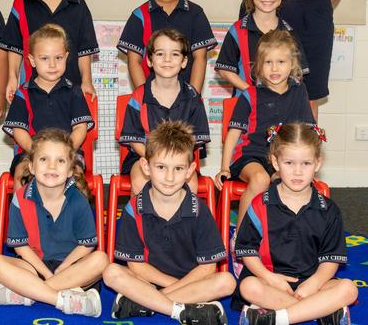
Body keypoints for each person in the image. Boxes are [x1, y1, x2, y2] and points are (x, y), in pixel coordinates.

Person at [103, 121, 235, 321]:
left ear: (190, 170)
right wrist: (171, 284)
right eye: (161, 167)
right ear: (146, 166)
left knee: (227, 282)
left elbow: (208, 268)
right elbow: (135, 266)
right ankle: (180, 310)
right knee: (111, 272)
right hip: (148, 281)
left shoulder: (200, 210)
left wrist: (165, 292)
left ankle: (146, 304)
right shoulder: (133, 208)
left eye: (178, 168)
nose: (170, 177)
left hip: (191, 282)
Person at [234, 123, 358, 325]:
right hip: (271, 282)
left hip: (313, 283)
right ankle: (319, 310)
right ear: (275, 162)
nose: (298, 172)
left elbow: (330, 260)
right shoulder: (259, 205)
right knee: (248, 286)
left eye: (306, 164)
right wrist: (271, 278)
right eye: (290, 163)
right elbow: (247, 251)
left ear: (317, 164)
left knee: (348, 289)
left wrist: (313, 284)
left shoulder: (329, 210)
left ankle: (277, 318)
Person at [0, 128, 109, 318]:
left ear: (70, 170)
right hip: (33, 266)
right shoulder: (20, 198)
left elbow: (87, 245)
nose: (52, 166)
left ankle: (28, 292)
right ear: (32, 167)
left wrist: (60, 270)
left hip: (70, 269)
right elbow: (21, 248)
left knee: (101, 260)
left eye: (60, 161)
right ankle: (61, 299)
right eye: (44, 159)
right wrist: (46, 273)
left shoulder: (78, 200)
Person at [215, 29, 315, 233]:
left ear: (292, 65)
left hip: (283, 158)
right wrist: (225, 168)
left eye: (281, 62)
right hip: (250, 156)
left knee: (289, 183)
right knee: (260, 179)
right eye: (268, 62)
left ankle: (282, 235)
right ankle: (243, 236)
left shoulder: (299, 92)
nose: (274, 68)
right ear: (259, 66)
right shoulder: (250, 95)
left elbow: (307, 132)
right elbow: (233, 134)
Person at [119, 29, 210, 195]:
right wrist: (156, 159)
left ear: (184, 61)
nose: (167, 59)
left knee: (191, 186)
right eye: (160, 54)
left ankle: (181, 221)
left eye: (175, 54)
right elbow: (134, 140)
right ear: (149, 60)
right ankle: (140, 221)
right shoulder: (138, 97)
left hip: (180, 160)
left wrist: (172, 161)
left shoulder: (193, 98)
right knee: (140, 182)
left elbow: (193, 142)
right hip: (145, 157)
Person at [3, 24, 94, 188]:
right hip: (30, 154)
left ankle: (72, 213)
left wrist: (65, 150)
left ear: (66, 57)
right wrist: (38, 152)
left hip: (68, 154)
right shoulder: (22, 93)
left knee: (77, 180)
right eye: (44, 58)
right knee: (21, 175)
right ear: (32, 60)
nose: (52, 64)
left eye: (58, 58)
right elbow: (19, 131)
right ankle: (25, 213)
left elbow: (80, 128)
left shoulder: (75, 92)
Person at [118, 0, 216, 94]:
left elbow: (200, 59)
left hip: (186, 105)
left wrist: (192, 99)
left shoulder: (196, 14)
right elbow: (134, 61)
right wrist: (146, 99)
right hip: (150, 104)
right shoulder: (139, 16)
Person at [216, 0, 308, 96]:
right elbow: (224, 70)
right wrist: (250, 91)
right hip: (246, 106)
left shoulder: (289, 33)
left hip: (282, 107)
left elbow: (298, 73)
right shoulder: (237, 30)